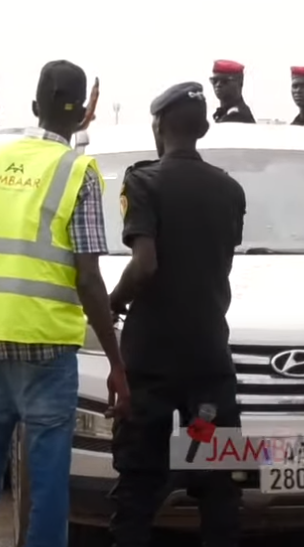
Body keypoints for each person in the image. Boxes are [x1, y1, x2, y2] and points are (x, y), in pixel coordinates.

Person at [0, 60, 127, 547]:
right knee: (48, 489)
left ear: (33, 108)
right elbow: (89, 279)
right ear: (81, 118)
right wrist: (116, 362)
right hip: (48, 350)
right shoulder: (77, 171)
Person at [108, 81, 245, 547]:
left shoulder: (142, 181)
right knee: (216, 476)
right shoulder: (230, 189)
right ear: (203, 127)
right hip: (208, 365)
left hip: (150, 366)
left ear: (160, 125)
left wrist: (113, 301)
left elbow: (145, 264)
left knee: (138, 483)